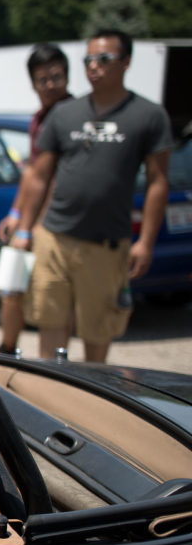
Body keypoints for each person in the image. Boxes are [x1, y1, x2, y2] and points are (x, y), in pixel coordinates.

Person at [14, 30, 173, 363]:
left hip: (105, 245)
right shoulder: (64, 114)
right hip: (54, 239)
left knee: (97, 334)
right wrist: (26, 229)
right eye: (88, 60)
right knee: (50, 326)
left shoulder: (149, 115)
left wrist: (145, 242)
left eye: (105, 59)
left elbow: (159, 182)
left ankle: (87, 405)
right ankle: (50, 399)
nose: (94, 67)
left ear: (126, 62)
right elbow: (39, 175)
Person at [0, 43, 74, 355]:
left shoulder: (75, 116)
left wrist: (37, 224)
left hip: (56, 224)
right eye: (44, 79)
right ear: (33, 83)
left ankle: (52, 369)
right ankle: (7, 350)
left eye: (57, 77)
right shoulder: (39, 119)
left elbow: (60, 180)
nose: (51, 85)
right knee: (11, 288)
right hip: (31, 223)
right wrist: (16, 213)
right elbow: (33, 172)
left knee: (52, 305)